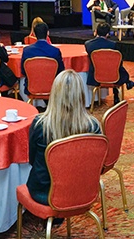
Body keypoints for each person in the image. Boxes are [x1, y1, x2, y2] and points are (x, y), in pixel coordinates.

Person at [26, 70, 102, 204]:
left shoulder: (40, 124)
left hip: (45, 192)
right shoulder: (93, 126)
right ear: (81, 94)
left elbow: (32, 160)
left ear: (54, 93)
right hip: (83, 189)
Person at [85, 22, 134, 104]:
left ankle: (128, 82)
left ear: (96, 31)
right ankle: (121, 90)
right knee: (116, 67)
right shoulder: (113, 45)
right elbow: (118, 63)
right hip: (113, 75)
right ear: (107, 34)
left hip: (95, 75)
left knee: (111, 67)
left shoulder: (88, 44)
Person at [21, 22, 65, 96]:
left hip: (32, 87)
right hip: (53, 88)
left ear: (34, 34)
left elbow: (23, 71)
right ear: (47, 33)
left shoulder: (26, 51)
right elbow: (60, 71)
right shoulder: (55, 51)